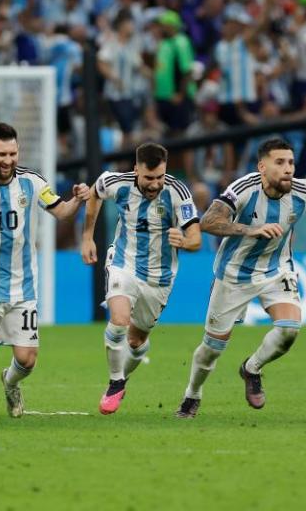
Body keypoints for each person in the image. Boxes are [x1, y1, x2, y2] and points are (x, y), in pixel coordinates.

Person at [176, 138, 306, 418]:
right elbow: (208, 222)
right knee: (211, 350)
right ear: (262, 167)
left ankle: (251, 368)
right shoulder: (243, 188)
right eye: (280, 163)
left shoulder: (302, 190)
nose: (288, 168)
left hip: (276, 269)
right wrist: (249, 230)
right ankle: (192, 395)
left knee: (289, 330)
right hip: (233, 275)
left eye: (290, 162)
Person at [0, 123, 88, 419]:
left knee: (26, 360)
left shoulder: (32, 182)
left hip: (23, 284)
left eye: (13, 153)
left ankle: (10, 382)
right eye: (1, 153)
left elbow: (61, 211)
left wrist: (78, 200)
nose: (8, 160)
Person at [81, 143, 201, 415]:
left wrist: (184, 240)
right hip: (124, 263)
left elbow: (196, 237)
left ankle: (123, 377)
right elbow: (94, 194)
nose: (155, 184)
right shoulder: (116, 183)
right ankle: (115, 381)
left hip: (159, 278)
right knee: (119, 320)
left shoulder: (177, 191)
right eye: (149, 178)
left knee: (136, 341)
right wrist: (87, 237)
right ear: (136, 170)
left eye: (160, 177)